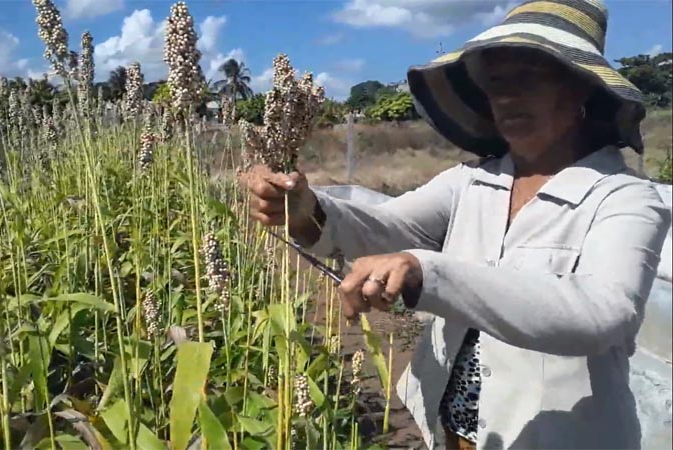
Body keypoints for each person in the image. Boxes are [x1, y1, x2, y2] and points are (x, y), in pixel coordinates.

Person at [239, 0, 671, 449]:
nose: (506, 97)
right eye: (496, 82)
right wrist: (310, 207)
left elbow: (603, 314)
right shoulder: (472, 181)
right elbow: (390, 226)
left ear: (579, 88)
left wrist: (428, 271)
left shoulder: (624, 197)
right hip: (454, 425)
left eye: (528, 77)